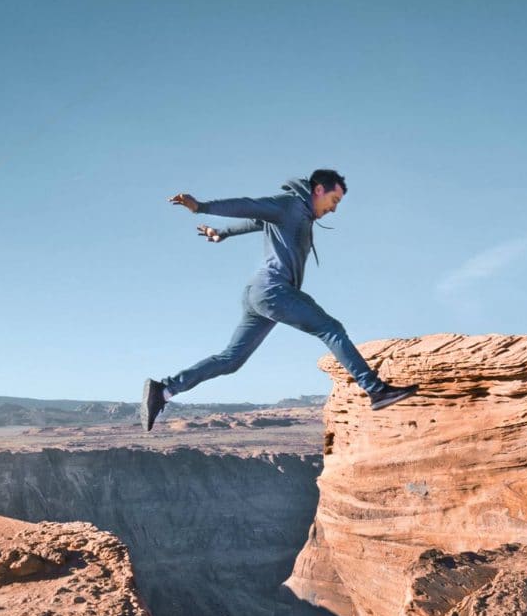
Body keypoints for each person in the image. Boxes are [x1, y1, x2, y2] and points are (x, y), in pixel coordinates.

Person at [140, 168, 416, 430]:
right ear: (318, 190)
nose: (334, 208)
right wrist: (201, 207)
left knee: (231, 360)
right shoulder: (290, 205)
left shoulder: (296, 214)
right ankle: (376, 390)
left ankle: (163, 390)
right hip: (273, 290)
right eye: (333, 200)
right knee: (331, 329)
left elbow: (255, 221)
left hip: (258, 294)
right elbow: (249, 205)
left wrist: (222, 233)